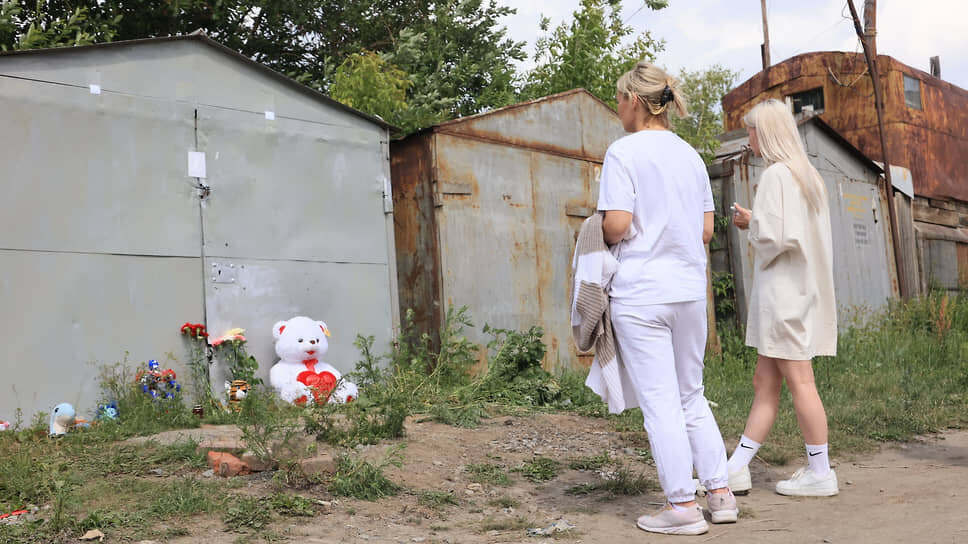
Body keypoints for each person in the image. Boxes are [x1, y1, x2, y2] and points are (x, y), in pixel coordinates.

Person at [599, 60, 737, 536]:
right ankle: (719, 494)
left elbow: (616, 225)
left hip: (642, 293)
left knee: (660, 403)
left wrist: (593, 230)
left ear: (634, 101)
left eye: (618, 99)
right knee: (690, 394)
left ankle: (681, 506)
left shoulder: (623, 153)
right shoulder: (691, 156)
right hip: (687, 292)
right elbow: (705, 230)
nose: (617, 109)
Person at [728, 98, 838, 497]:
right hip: (799, 292)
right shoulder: (809, 176)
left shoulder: (776, 175)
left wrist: (748, 222)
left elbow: (774, 238)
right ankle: (736, 468)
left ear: (767, 133)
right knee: (766, 380)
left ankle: (821, 472)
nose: (748, 138)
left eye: (751, 131)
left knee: (799, 380)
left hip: (782, 297)